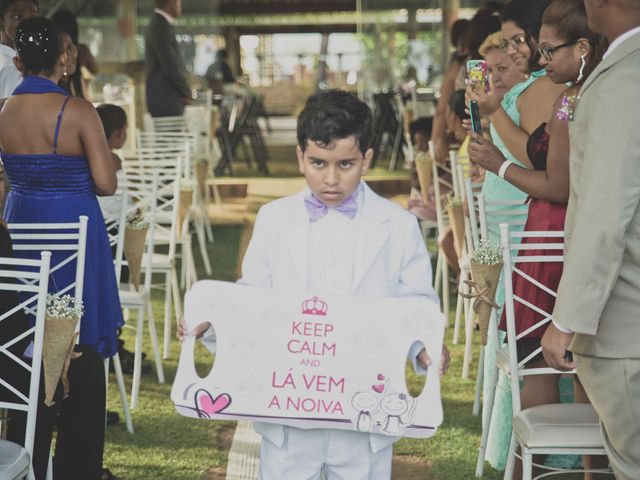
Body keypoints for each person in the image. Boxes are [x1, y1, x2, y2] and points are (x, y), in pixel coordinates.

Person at [180, 89, 450, 479]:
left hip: (365, 416)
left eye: (346, 164)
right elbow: (253, 301)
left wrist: (424, 350)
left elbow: (416, 305)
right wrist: (211, 326)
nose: (331, 178)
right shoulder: (274, 220)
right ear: (300, 157)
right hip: (288, 415)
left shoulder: (400, 227)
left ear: (367, 160)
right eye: (318, 163)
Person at [470, 1, 607, 476]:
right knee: (581, 358)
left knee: (539, 355)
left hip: (552, 232)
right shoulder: (579, 94)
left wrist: (498, 165)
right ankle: (587, 468)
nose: (542, 62)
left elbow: (557, 184)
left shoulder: (574, 101)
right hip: (552, 231)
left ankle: (542, 464)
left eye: (547, 51)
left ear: (583, 47)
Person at [541, 1, 640, 478]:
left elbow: (602, 208)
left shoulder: (616, 81)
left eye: (546, 49)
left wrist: (568, 317)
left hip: (625, 318)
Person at [144, 0, 191, 117]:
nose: (180, 6)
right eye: (179, 2)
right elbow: (170, 64)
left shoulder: (160, 23)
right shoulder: (160, 26)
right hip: (165, 100)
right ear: (172, 2)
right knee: (171, 135)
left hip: (164, 99)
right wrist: (185, 91)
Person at [52, 8, 98, 99]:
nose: (70, 55)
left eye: (71, 48)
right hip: (73, 89)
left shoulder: (80, 49)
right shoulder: (82, 49)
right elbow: (94, 70)